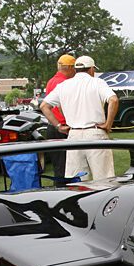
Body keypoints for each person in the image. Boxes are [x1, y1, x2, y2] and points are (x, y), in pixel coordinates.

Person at [40, 55, 119, 181]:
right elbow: (113, 100)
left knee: (77, 182)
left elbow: (44, 106)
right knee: (104, 180)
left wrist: (58, 126)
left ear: (76, 69)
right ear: (92, 69)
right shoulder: (97, 82)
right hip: (95, 133)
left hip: (74, 136)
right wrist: (108, 124)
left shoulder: (64, 85)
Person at [44, 54, 76, 185]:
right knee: (66, 168)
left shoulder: (51, 81)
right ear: (68, 68)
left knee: (58, 166)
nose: (75, 72)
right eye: (74, 68)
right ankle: (64, 194)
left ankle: (58, 190)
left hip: (52, 127)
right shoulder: (64, 83)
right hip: (62, 127)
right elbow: (61, 105)